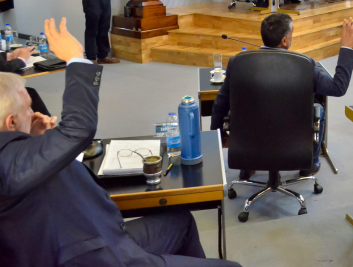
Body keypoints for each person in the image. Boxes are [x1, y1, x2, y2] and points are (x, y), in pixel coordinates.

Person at [0, 18, 241, 267]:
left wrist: (34, 139)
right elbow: (77, 128)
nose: (34, 112)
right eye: (28, 108)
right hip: (97, 258)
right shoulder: (8, 166)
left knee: (181, 222)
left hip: (104, 238)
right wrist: (75, 58)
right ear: (11, 122)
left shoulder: (16, 155)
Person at [211, 13, 353, 177]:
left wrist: (219, 135)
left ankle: (248, 165)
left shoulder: (237, 63)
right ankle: (310, 163)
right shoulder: (304, 65)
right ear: (285, 41)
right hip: (292, 146)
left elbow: (220, 103)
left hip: (248, 146)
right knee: (318, 109)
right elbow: (338, 87)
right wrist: (347, 48)